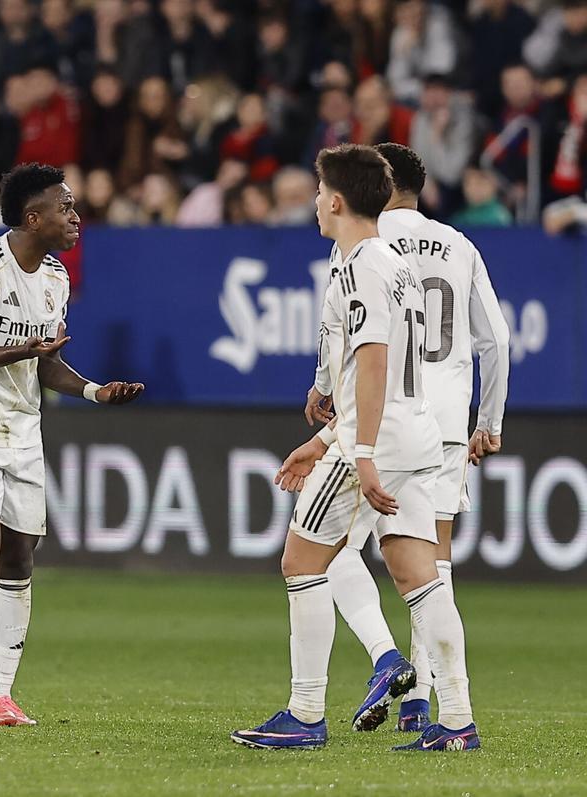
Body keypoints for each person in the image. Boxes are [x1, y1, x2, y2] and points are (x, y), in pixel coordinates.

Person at [232, 144, 479, 752]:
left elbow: (374, 365)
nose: (315, 203)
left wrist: (356, 451)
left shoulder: (359, 267)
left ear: (337, 201)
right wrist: (323, 440)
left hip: (376, 442)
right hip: (418, 435)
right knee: (421, 576)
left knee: (300, 562)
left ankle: (305, 711)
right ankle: (456, 722)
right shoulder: (395, 264)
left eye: (319, 194)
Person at [306, 143, 509, 733]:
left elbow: (339, 329)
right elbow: (494, 338)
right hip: (442, 421)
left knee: (325, 553)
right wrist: (488, 422)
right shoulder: (459, 243)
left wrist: (324, 394)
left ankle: (380, 661)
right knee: (430, 565)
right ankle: (431, 704)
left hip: (380, 417)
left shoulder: (364, 243)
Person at [0, 162, 143, 726]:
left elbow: (47, 364)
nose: (76, 217)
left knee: (20, 554)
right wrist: (27, 351)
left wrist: (97, 392)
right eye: (65, 207)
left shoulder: (55, 278)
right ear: (34, 217)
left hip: (24, 431)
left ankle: (4, 692)